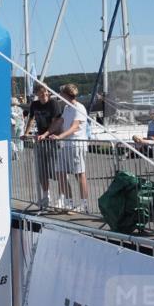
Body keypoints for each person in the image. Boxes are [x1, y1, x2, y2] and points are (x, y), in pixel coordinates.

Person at [49, 83, 89, 213]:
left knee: (79, 174)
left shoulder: (79, 107)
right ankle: (68, 202)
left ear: (66, 94)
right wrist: (46, 134)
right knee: (60, 173)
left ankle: (84, 204)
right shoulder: (67, 108)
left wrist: (60, 136)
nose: (60, 95)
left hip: (76, 144)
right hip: (65, 145)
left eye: (61, 93)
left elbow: (75, 127)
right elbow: (60, 122)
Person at [27, 84, 65, 211]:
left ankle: (62, 197)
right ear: (37, 94)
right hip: (41, 140)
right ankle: (46, 195)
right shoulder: (34, 104)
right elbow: (31, 119)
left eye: (46, 92)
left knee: (57, 170)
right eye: (41, 93)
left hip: (53, 139)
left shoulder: (53, 104)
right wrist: (26, 133)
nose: (44, 95)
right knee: (42, 170)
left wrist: (46, 134)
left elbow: (56, 122)